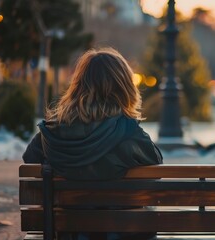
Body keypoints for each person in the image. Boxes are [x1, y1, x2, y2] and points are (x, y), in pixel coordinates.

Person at [23, 47, 162, 239]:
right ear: (124, 87)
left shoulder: (51, 131)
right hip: (122, 233)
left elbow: (30, 160)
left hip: (69, 233)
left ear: (78, 84)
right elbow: (156, 167)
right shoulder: (130, 134)